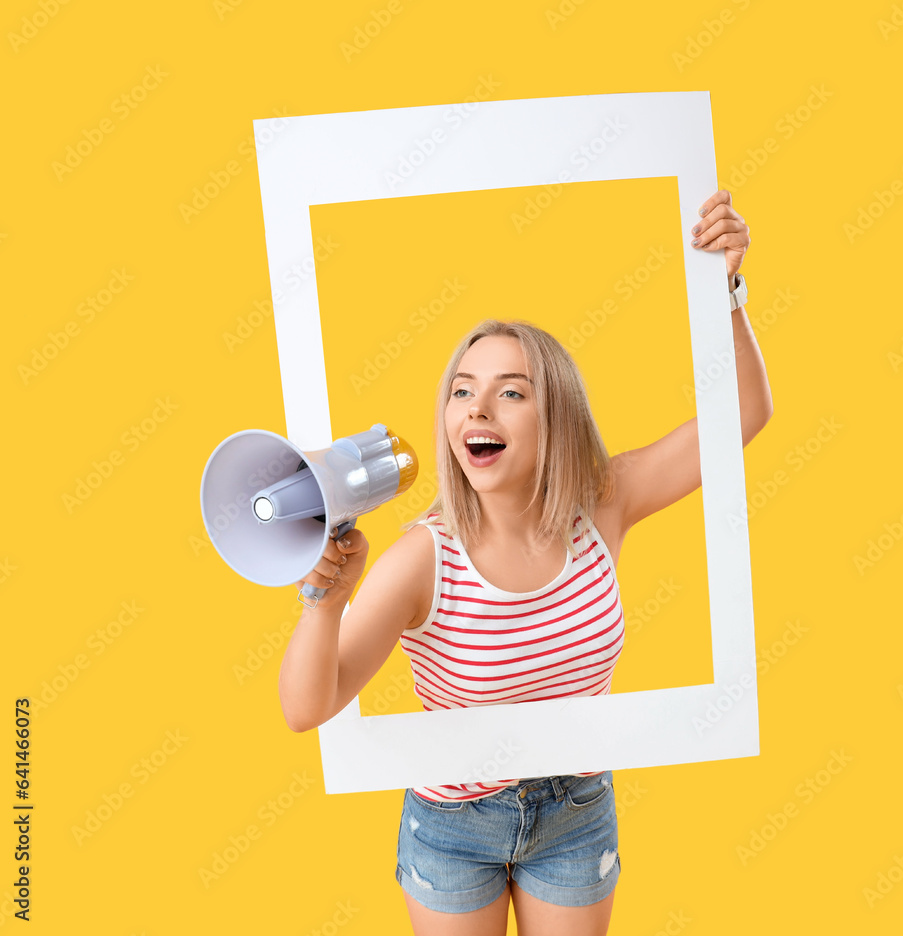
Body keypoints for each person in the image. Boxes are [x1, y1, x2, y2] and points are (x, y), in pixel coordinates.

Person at [277, 189, 769, 936]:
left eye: (511, 392)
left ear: (557, 415)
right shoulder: (423, 559)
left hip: (574, 809)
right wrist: (325, 600)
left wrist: (725, 287)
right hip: (453, 820)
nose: (477, 410)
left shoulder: (603, 503)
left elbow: (745, 414)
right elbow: (304, 708)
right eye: (462, 393)